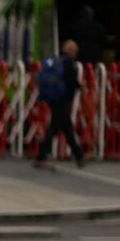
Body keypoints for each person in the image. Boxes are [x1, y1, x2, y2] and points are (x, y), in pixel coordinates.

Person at [35, 40, 83, 169]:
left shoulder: (57, 61)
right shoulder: (69, 64)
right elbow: (71, 81)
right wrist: (81, 87)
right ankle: (41, 156)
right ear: (73, 51)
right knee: (54, 128)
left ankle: (79, 155)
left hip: (53, 98)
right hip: (62, 99)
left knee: (67, 128)